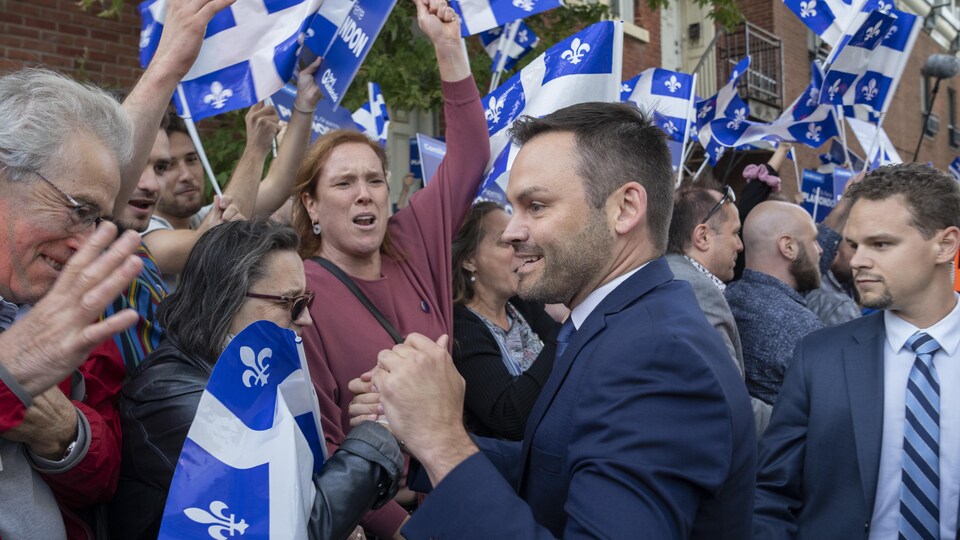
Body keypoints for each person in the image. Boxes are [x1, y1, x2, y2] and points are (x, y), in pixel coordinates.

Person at [360, 102, 755, 539]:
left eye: (536, 206)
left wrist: (442, 441)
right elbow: (555, 469)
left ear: (625, 208)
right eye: (514, 208)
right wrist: (415, 434)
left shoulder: (659, 356)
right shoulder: (615, 322)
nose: (511, 232)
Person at [292, 0, 489, 536]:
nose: (365, 194)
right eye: (344, 183)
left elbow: (470, 157)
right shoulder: (299, 294)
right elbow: (324, 446)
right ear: (311, 205)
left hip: (455, 489)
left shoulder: (413, 239)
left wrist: (448, 46)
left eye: (375, 180)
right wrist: (401, 528)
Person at [112, 220, 403, 539]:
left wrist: (369, 430)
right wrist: (379, 431)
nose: (306, 318)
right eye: (291, 303)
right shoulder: (169, 394)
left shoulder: (245, 374)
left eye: (307, 301)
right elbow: (291, 526)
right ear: (226, 300)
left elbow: (306, 491)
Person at [754, 163, 960, 539]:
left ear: (944, 245)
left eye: (880, 244)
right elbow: (770, 494)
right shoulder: (819, 358)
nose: (858, 260)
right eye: (854, 245)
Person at [143, 58, 323, 286]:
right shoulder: (140, 232)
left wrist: (305, 104)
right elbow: (209, 241)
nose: (186, 175)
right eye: (167, 166)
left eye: (192, 159)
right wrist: (255, 149)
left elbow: (278, 184)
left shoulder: (204, 218)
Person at [666, 185, 772, 432]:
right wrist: (796, 425)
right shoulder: (697, 291)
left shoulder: (672, 274)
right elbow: (726, 399)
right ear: (702, 237)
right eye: (735, 233)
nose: (740, 246)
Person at [450, 201, 559, 440]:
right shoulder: (461, 328)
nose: (519, 251)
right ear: (469, 260)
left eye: (518, 241)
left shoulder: (521, 306)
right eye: (505, 243)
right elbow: (509, 415)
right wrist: (568, 329)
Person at [725, 200, 824, 406]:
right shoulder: (801, 328)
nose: (820, 250)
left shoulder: (724, 299)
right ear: (788, 247)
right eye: (814, 240)